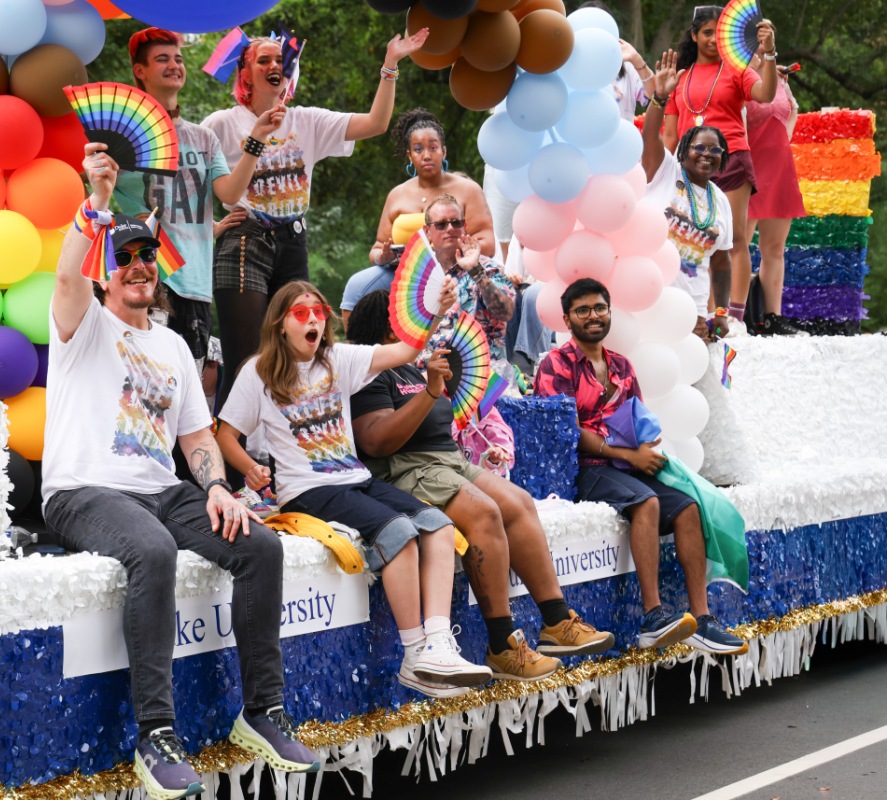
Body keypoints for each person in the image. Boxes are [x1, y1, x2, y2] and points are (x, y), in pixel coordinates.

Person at [44, 143, 319, 799]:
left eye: (147, 257)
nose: (137, 265)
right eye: (124, 259)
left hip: (162, 489)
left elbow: (195, 434)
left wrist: (220, 487)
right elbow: (64, 276)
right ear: (105, 276)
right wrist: (102, 201)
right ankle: (156, 734)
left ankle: (262, 711)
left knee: (259, 544)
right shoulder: (81, 324)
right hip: (84, 490)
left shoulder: (172, 344)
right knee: (154, 551)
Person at [217, 280, 496, 699]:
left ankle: (439, 642)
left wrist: (436, 313)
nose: (313, 318)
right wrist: (250, 468)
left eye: (319, 310)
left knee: (438, 525)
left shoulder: (338, 359)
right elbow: (225, 435)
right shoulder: (257, 372)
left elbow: (404, 351)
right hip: (308, 490)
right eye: (300, 313)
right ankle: (414, 652)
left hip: (356, 478)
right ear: (279, 325)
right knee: (399, 532)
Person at [347, 290, 616, 681]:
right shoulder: (370, 371)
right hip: (407, 468)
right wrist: (429, 394)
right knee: (485, 512)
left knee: (520, 502)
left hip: (449, 461)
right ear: (387, 324)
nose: (418, 324)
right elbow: (375, 441)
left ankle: (557, 622)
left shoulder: (414, 365)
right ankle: (502, 644)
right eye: (406, 318)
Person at [203, 30, 428, 409]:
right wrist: (209, 228)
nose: (275, 66)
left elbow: (376, 123)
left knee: (294, 357)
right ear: (244, 73)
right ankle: (232, 462)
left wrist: (390, 64)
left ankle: (277, 460)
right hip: (245, 241)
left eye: (280, 61)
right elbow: (197, 186)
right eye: (263, 61)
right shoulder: (222, 123)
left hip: (293, 241)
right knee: (245, 363)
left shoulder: (306, 120)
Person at [534, 279, 748, 656]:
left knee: (689, 506)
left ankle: (703, 620)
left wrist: (647, 449)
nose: (593, 316)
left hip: (625, 464)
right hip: (584, 467)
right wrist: (630, 457)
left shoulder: (620, 365)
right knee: (646, 502)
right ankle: (652, 618)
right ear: (567, 319)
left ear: (610, 312)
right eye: (582, 310)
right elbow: (563, 428)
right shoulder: (556, 364)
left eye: (600, 307)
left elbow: (636, 418)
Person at [114, 28, 287, 373]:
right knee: (145, 388)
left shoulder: (203, 137)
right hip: (148, 277)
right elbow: (94, 197)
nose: (174, 64)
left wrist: (256, 137)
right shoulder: (121, 137)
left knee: (184, 388)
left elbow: (230, 193)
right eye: (162, 59)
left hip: (195, 283)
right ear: (140, 71)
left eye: (178, 58)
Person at [662, 6, 778, 332]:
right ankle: (700, 312)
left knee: (733, 239)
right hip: (687, 169)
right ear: (694, 35)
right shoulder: (681, 78)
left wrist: (768, 54)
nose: (713, 39)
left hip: (731, 159)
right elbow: (670, 134)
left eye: (718, 33)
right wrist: (662, 172)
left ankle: (731, 315)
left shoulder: (737, 70)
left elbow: (766, 94)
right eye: (707, 32)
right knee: (689, 237)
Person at [344, 109, 495, 329]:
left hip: (454, 272)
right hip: (403, 274)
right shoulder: (396, 195)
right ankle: (359, 355)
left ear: (443, 151)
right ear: (409, 155)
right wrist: (383, 257)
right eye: (418, 149)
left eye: (433, 148)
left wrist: (447, 252)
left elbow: (488, 244)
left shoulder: (468, 190)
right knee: (357, 285)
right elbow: (376, 249)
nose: (426, 155)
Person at [642, 49, 733, 341]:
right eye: (699, 147)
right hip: (648, 301)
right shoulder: (666, 171)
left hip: (692, 316)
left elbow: (721, 262)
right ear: (684, 151)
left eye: (715, 149)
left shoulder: (721, 201)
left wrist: (720, 311)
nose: (707, 154)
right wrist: (660, 97)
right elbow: (650, 135)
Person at [416, 194, 518, 387]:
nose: (450, 229)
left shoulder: (487, 268)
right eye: (441, 224)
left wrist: (476, 272)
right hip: (424, 377)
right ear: (427, 230)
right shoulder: (418, 275)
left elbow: (506, 313)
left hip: (479, 378)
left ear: (464, 226)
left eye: (456, 223)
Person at [745, 58, 806, 336]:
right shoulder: (738, 78)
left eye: (771, 45)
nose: (768, 51)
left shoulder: (780, 80)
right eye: (761, 44)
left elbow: (792, 108)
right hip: (747, 164)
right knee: (738, 245)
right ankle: (735, 313)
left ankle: (773, 316)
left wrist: (786, 134)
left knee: (774, 249)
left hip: (780, 166)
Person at [578, 1, 654, 122]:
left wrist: (637, 59)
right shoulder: (568, 68)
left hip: (622, 140)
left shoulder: (628, 67)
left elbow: (655, 94)